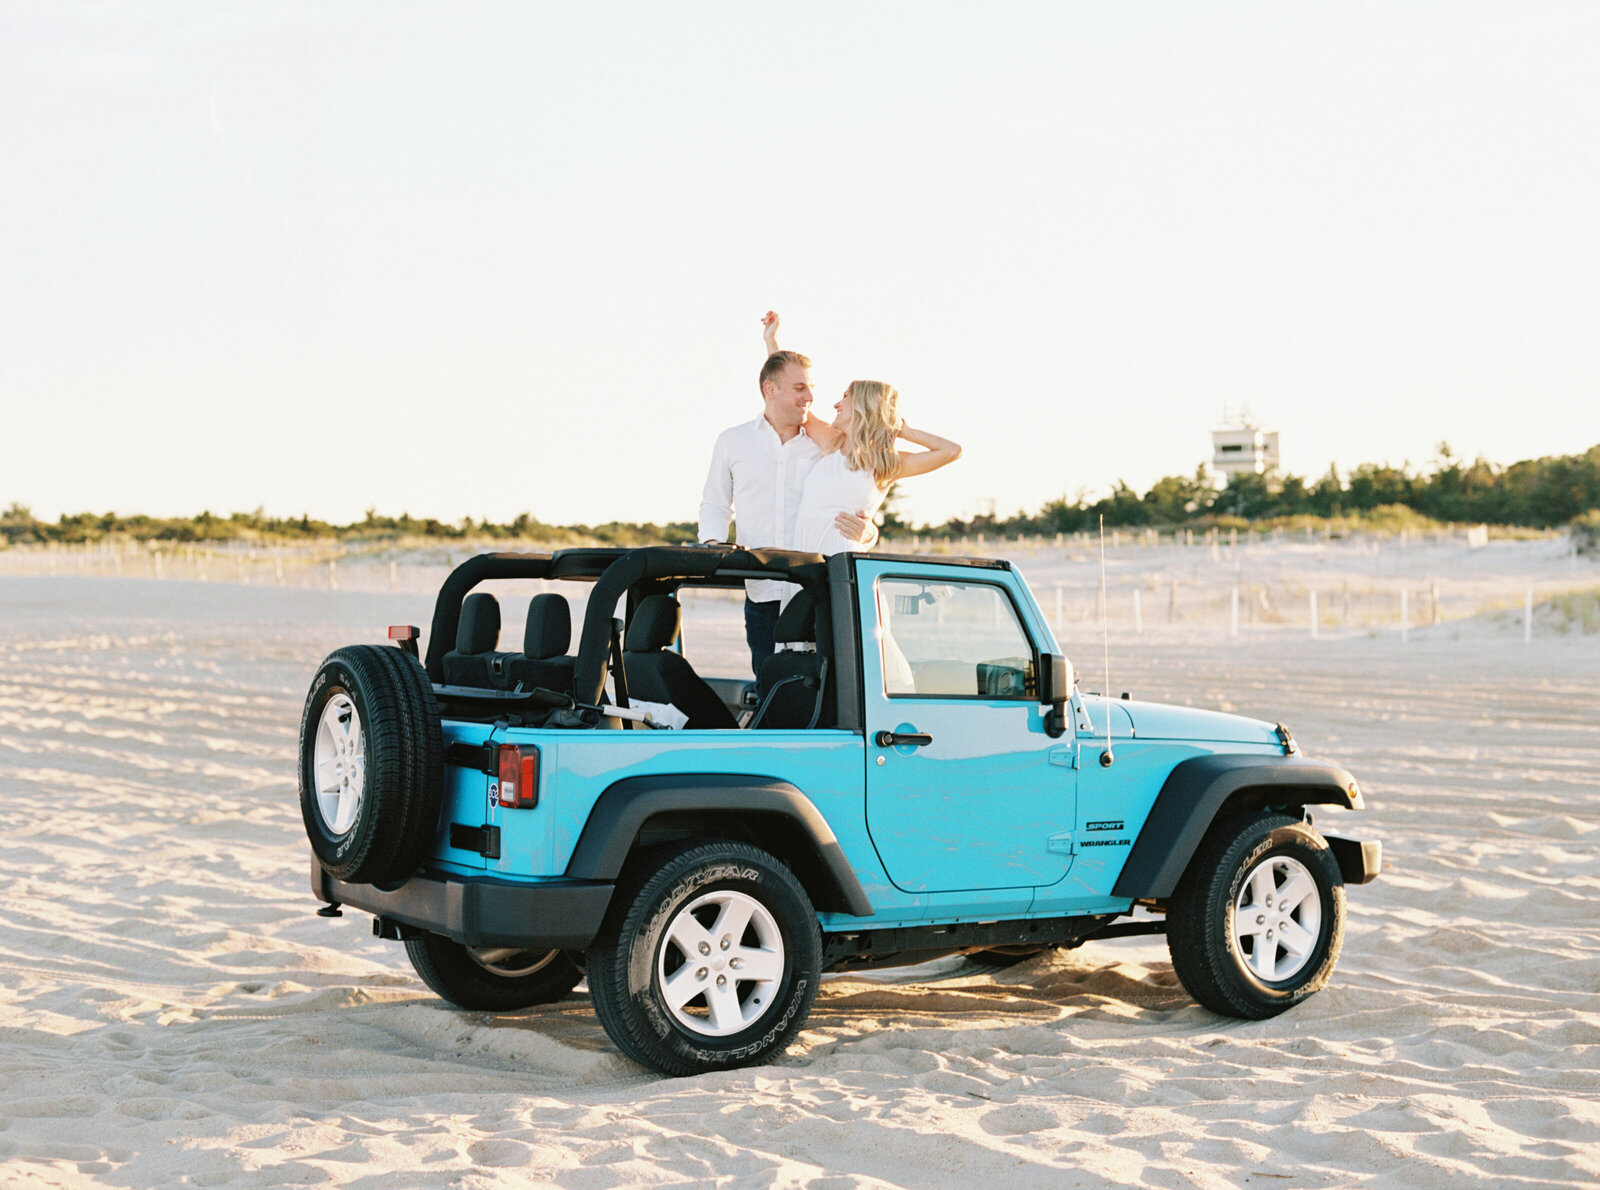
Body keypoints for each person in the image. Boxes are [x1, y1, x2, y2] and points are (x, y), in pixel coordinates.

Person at [698, 319, 877, 676]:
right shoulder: (733, 441)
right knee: (769, 686)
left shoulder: (828, 445)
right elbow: (715, 504)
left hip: (818, 593)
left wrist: (868, 533)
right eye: (799, 388)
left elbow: (865, 506)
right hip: (761, 592)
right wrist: (714, 545)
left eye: (810, 387)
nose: (810, 398)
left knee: (824, 690)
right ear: (770, 390)